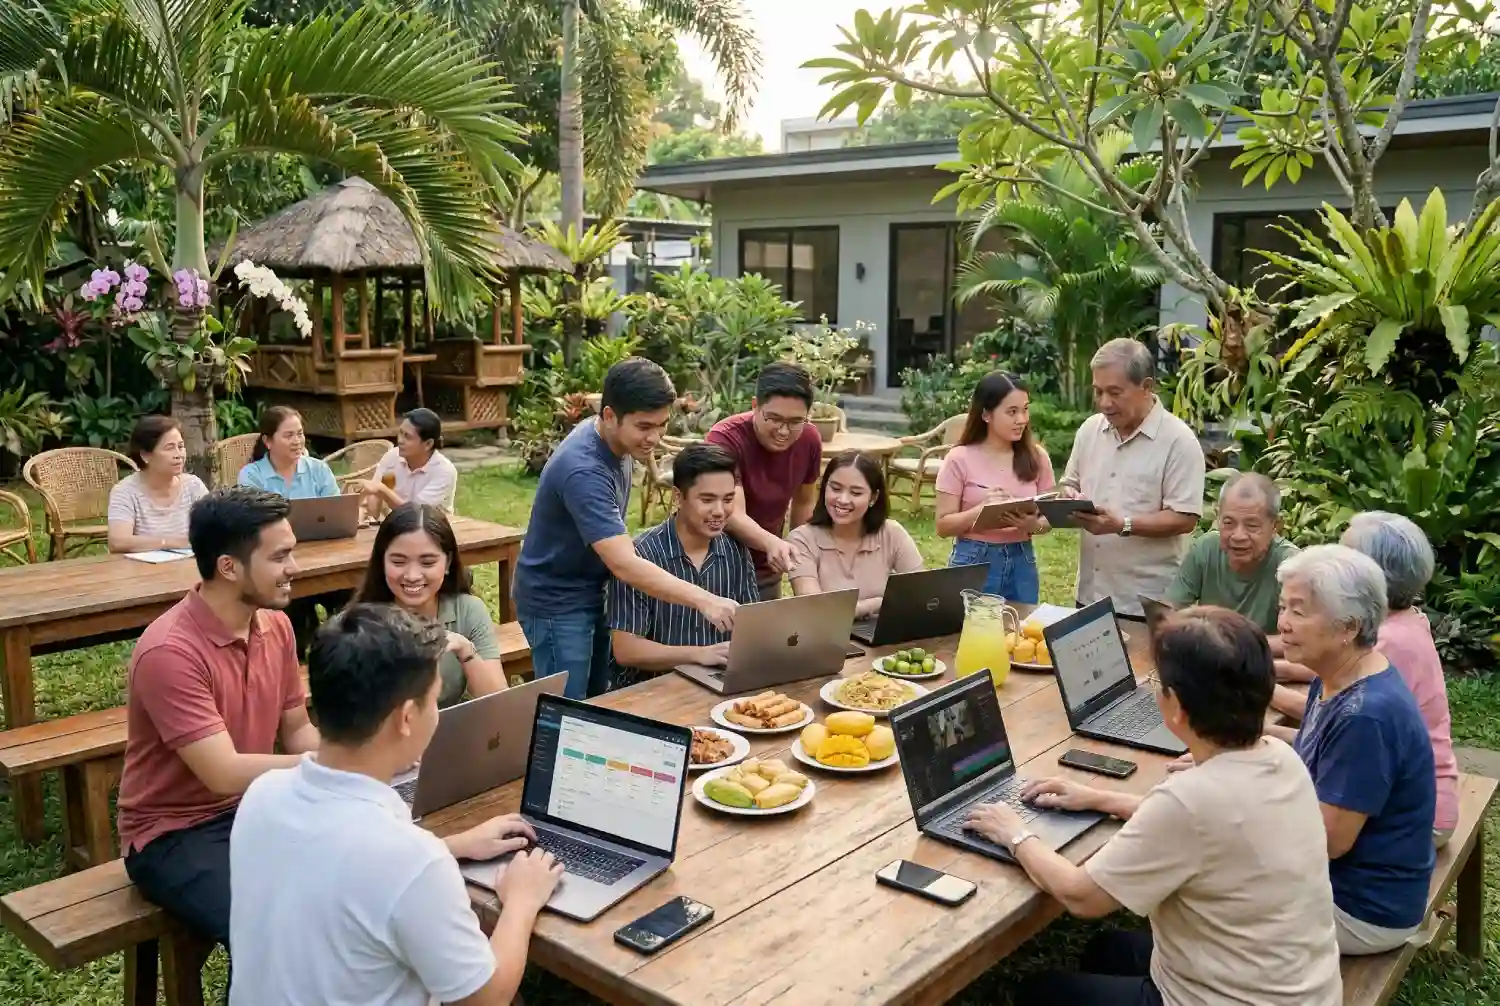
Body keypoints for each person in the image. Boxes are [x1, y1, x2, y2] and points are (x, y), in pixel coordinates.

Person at [967, 606, 1341, 1006]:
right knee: (1108, 949)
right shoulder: (1280, 757)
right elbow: (1207, 823)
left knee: (1042, 992)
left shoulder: (1188, 800)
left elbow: (1081, 896)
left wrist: (1015, 833)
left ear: (1175, 706)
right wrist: (1098, 797)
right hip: (1302, 989)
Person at [228, 603, 562, 1006]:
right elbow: (485, 999)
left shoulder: (263, 796)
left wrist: (452, 846)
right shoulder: (411, 860)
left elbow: (345, 864)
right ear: (406, 718)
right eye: (434, 700)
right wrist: (521, 902)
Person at [117, 487, 320, 955]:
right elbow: (222, 773)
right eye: (280, 557)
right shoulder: (169, 651)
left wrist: (357, 756)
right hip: (173, 834)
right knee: (269, 932)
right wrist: (336, 764)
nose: (294, 568)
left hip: (254, 807)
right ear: (229, 567)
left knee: (354, 885)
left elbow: (297, 731)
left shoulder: (277, 626)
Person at [514, 357, 737, 700]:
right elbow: (623, 563)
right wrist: (704, 599)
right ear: (609, 416)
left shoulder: (612, 438)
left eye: (662, 425)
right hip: (556, 601)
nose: (654, 437)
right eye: (644, 426)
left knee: (598, 701)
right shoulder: (583, 470)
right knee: (566, 710)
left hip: (594, 588)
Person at [1276, 544, 1437, 954]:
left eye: (1298, 611)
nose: (1283, 623)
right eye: (1282, 607)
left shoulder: (1366, 716)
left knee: (1208, 871)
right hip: (1349, 884)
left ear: (1348, 626)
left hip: (1361, 909)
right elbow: (1319, 749)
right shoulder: (1338, 674)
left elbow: (1328, 843)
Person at [1271, 514, 1460, 844]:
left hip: (1411, 821)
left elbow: (1329, 840)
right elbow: (1321, 738)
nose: (1284, 622)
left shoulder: (1367, 702)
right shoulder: (1353, 661)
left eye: (1344, 558)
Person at [1060, 338, 1204, 617]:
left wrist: (1123, 524)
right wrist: (1068, 496)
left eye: (1115, 392)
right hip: (1090, 594)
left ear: (1146, 387)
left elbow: (1185, 518)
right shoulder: (1089, 431)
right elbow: (1070, 483)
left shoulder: (1178, 442)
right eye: (1098, 391)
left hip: (1145, 602)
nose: (1105, 403)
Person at [609, 443, 758, 687]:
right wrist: (698, 654)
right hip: (652, 687)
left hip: (720, 681)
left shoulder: (736, 549)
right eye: (707, 500)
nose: (719, 511)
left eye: (728, 499)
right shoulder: (640, 555)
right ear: (678, 497)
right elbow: (627, 650)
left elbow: (752, 627)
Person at [352, 502, 508, 708]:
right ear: (382, 562)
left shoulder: (468, 610)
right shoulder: (357, 624)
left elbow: (499, 703)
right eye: (398, 562)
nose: (412, 576)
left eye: (427, 563)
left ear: (448, 562)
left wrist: (465, 651)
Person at [707, 362, 824, 601]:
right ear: (755, 406)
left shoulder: (809, 439)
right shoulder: (724, 439)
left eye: (796, 421)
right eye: (774, 418)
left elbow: (804, 503)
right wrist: (772, 543)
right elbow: (730, 513)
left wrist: (799, 555)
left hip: (766, 569)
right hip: (715, 567)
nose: (783, 431)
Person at [933, 372, 1054, 602]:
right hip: (974, 559)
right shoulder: (959, 459)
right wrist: (980, 511)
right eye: (1012, 412)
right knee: (971, 624)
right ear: (986, 414)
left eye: (1025, 410)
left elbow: (1049, 517)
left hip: (1022, 561)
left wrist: (1034, 525)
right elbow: (943, 526)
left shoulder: (1037, 457)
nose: (1022, 419)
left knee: (1020, 623)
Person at [788, 451, 923, 619]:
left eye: (856, 493)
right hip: (825, 633)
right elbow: (814, 608)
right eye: (835, 489)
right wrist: (875, 604)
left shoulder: (891, 533)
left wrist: (859, 609)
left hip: (882, 632)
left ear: (873, 498)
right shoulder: (801, 540)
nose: (843, 500)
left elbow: (921, 593)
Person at [1165, 471, 1297, 634]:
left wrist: (1231, 643)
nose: (1238, 536)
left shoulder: (1291, 566)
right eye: (1229, 523)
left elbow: (1298, 640)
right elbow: (1170, 614)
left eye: (1252, 526)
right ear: (1217, 518)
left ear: (1275, 526)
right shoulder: (1205, 550)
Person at [107, 415, 209, 553]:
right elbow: (118, 542)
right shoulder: (125, 492)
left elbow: (216, 529)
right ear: (146, 455)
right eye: (169, 448)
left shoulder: (193, 486)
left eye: (181, 446)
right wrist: (171, 543)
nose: (178, 455)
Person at [357, 407, 459, 514]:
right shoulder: (393, 458)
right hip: (397, 521)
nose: (400, 440)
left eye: (407, 437)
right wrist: (367, 509)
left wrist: (382, 490)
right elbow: (376, 494)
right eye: (400, 433)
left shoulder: (443, 471)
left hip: (430, 523)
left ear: (428, 444)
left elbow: (415, 514)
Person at [237, 405, 339, 498]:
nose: (297, 441)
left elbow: (335, 507)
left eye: (300, 434)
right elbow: (252, 511)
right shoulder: (252, 475)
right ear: (267, 441)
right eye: (288, 435)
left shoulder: (319, 469)